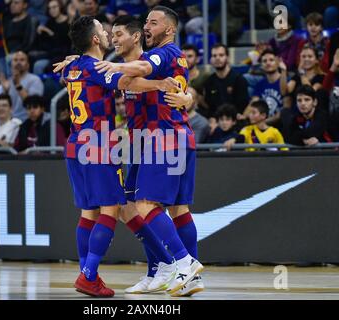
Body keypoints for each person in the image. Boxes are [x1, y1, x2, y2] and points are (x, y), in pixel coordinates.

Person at [59, 16, 181, 298]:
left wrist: (69, 59)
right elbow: (128, 82)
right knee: (111, 210)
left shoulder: (74, 67)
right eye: (103, 30)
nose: (108, 34)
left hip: (76, 144)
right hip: (98, 144)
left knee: (90, 211)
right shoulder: (97, 67)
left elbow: (78, 71)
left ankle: (89, 272)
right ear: (95, 40)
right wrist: (160, 84)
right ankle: (89, 275)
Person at [93, 6, 204, 296]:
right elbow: (174, 89)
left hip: (162, 138)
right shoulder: (165, 59)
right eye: (146, 22)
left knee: (145, 206)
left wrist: (116, 67)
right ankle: (171, 272)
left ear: (168, 29)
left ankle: (183, 263)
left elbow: (141, 71)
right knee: (174, 209)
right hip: (159, 139)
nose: (147, 27)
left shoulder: (159, 56)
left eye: (152, 23)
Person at [203, 43, 249, 125]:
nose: (217, 58)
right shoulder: (209, 82)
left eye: (221, 55)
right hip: (216, 122)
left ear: (228, 57)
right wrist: (212, 119)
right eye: (214, 56)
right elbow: (210, 107)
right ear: (211, 60)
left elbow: (242, 106)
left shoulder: (239, 79)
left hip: (235, 121)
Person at [247, 49, 288, 127]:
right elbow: (252, 104)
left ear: (278, 62)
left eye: (271, 60)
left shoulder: (286, 80)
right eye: (264, 61)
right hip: (262, 125)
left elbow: (285, 110)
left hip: (280, 126)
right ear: (261, 65)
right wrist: (243, 117)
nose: (268, 63)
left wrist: (263, 122)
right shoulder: (260, 84)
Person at [1, 51, 44, 121]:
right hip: (10, 121)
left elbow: (33, 104)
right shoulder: (8, 81)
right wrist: (5, 92)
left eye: (22, 60)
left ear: (28, 65)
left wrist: (18, 85)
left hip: (27, 120)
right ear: (11, 64)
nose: (18, 62)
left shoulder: (35, 80)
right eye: (15, 60)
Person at [287, 45, 325, 110]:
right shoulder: (297, 76)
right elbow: (286, 91)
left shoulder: (321, 77)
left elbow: (309, 92)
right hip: (297, 111)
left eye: (310, 56)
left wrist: (302, 73)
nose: (306, 59)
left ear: (316, 60)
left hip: (315, 112)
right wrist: (283, 71)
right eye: (303, 57)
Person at [181, 44, 210, 111]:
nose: (186, 59)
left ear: (197, 59)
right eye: (183, 57)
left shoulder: (205, 76)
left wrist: (196, 96)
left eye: (190, 56)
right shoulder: (175, 76)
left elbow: (209, 104)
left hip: (200, 113)